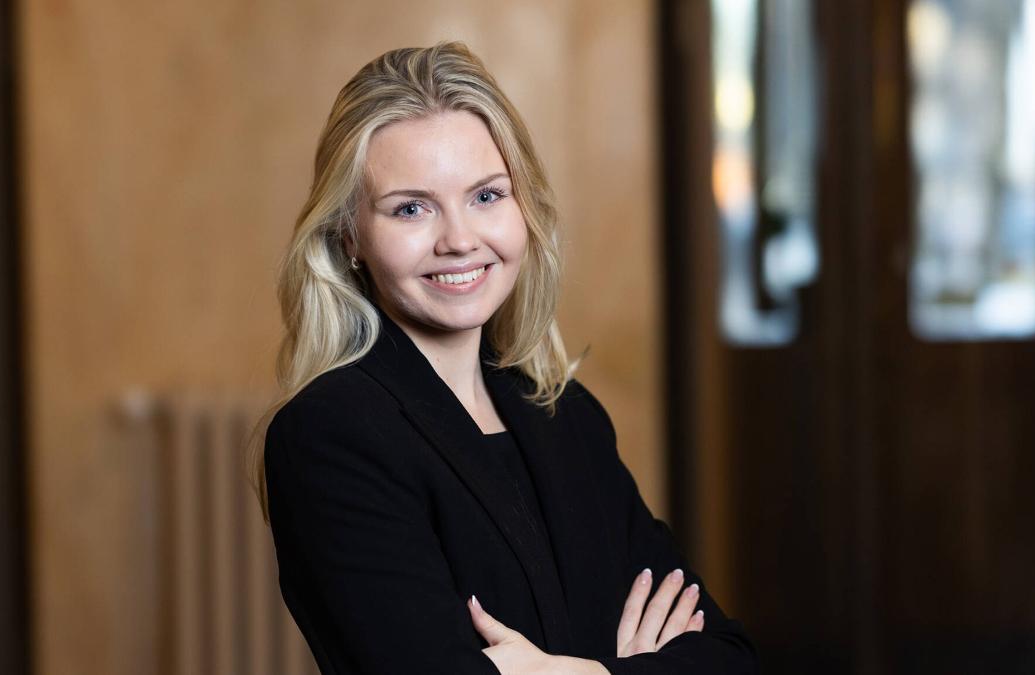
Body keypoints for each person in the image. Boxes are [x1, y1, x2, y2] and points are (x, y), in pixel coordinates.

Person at [255, 42, 757, 674]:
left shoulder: (566, 414)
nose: (459, 240)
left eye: (487, 196)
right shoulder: (329, 435)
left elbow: (729, 659)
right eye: (411, 208)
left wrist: (579, 673)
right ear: (350, 234)